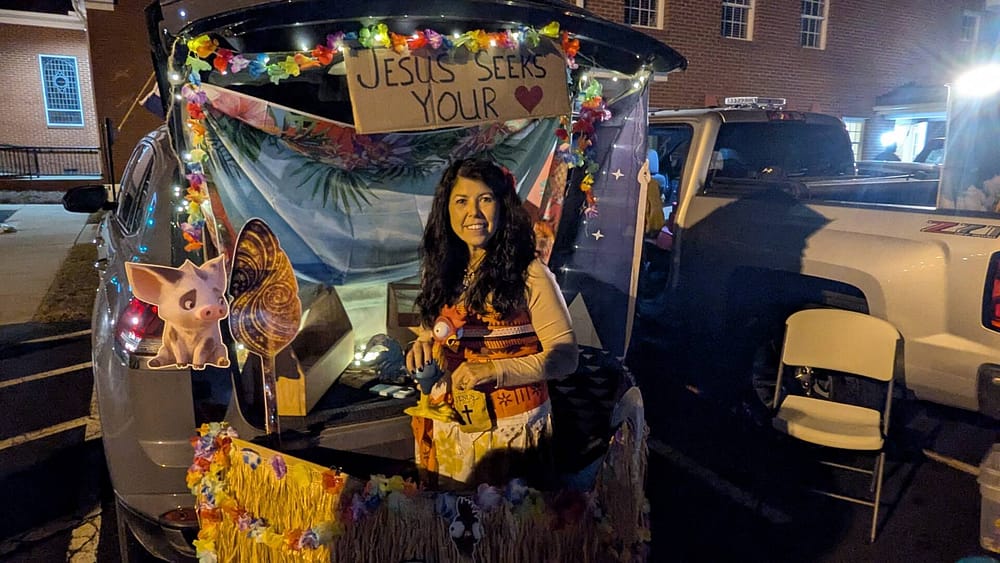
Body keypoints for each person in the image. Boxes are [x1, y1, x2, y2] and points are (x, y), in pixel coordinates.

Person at [405, 158, 578, 488]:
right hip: (450, 426)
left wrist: (495, 371)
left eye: (485, 199)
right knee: (454, 530)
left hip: (510, 433)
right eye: (461, 201)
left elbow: (566, 358)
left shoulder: (531, 275)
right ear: (447, 209)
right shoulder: (441, 271)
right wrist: (423, 345)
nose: (474, 213)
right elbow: (434, 331)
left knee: (503, 534)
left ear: (503, 206)